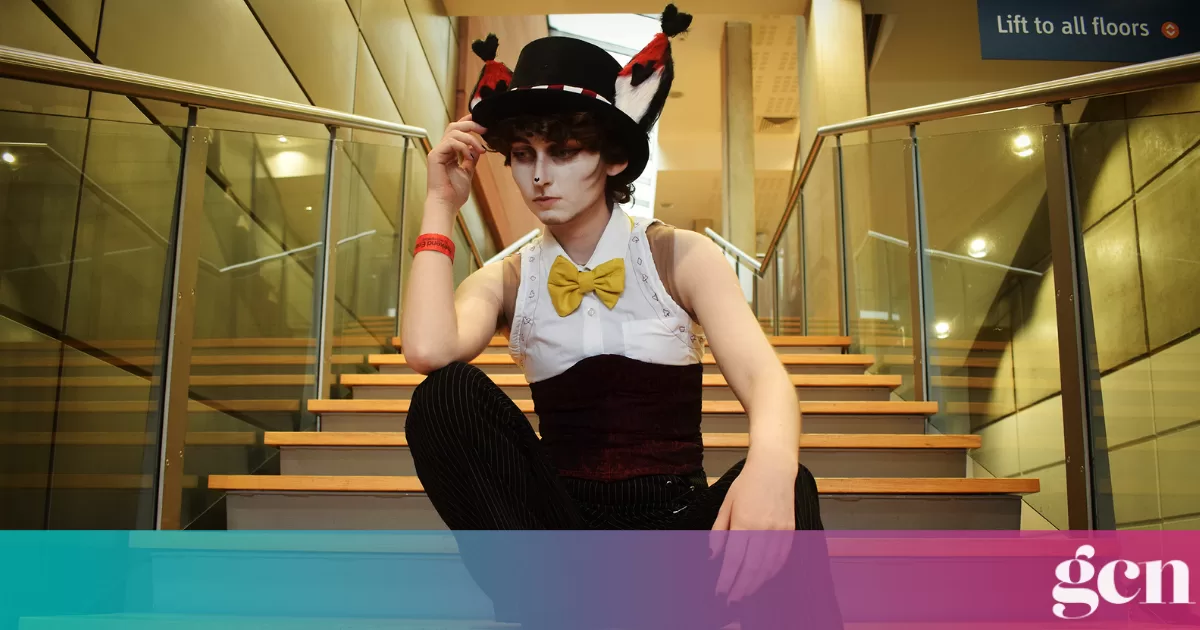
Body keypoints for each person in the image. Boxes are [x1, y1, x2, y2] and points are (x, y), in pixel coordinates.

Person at [400, 6, 841, 628]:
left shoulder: (681, 255)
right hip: (561, 548)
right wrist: (439, 203)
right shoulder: (508, 277)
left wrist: (771, 466)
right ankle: (559, 607)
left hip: (680, 537)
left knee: (792, 480)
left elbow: (765, 380)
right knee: (444, 395)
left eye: (563, 151)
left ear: (612, 159)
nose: (539, 175)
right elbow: (426, 351)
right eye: (522, 154)